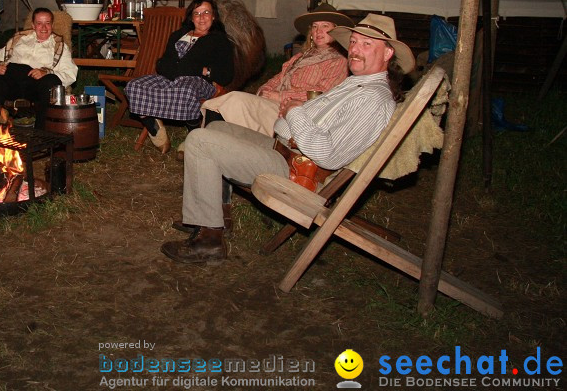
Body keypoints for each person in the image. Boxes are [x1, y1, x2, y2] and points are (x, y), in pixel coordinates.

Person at [161, 13, 415, 263]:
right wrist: (292, 114)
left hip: (298, 173)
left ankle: (209, 242)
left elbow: (326, 154)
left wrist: (293, 112)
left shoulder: (373, 99)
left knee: (200, 141)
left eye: (367, 44)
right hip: (286, 149)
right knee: (217, 130)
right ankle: (209, 215)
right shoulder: (358, 84)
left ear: (387, 53)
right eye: (354, 42)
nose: (355, 50)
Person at [201, 3, 352, 137]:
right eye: (315, 26)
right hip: (275, 104)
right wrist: (265, 90)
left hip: (297, 113)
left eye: (325, 26)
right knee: (222, 104)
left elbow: (323, 95)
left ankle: (206, 141)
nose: (319, 31)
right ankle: (208, 141)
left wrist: (280, 96)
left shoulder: (339, 60)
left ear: (336, 31)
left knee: (233, 101)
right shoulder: (301, 56)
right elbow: (279, 77)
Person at [124, 0, 235, 153]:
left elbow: (226, 74)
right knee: (133, 86)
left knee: (185, 91)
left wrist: (203, 71)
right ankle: (154, 128)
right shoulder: (178, 34)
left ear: (214, 16)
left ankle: (193, 135)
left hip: (199, 82)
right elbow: (162, 63)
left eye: (206, 12)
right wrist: (175, 70)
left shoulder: (220, 40)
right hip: (170, 78)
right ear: (191, 17)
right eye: (197, 13)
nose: (201, 17)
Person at [0, 7, 78, 128]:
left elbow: (70, 74)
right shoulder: (19, 39)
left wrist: (46, 73)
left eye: (47, 23)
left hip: (36, 85)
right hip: (12, 81)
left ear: (52, 25)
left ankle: (42, 134)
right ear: (33, 25)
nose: (43, 27)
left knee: (51, 81)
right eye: (39, 23)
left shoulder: (59, 46)